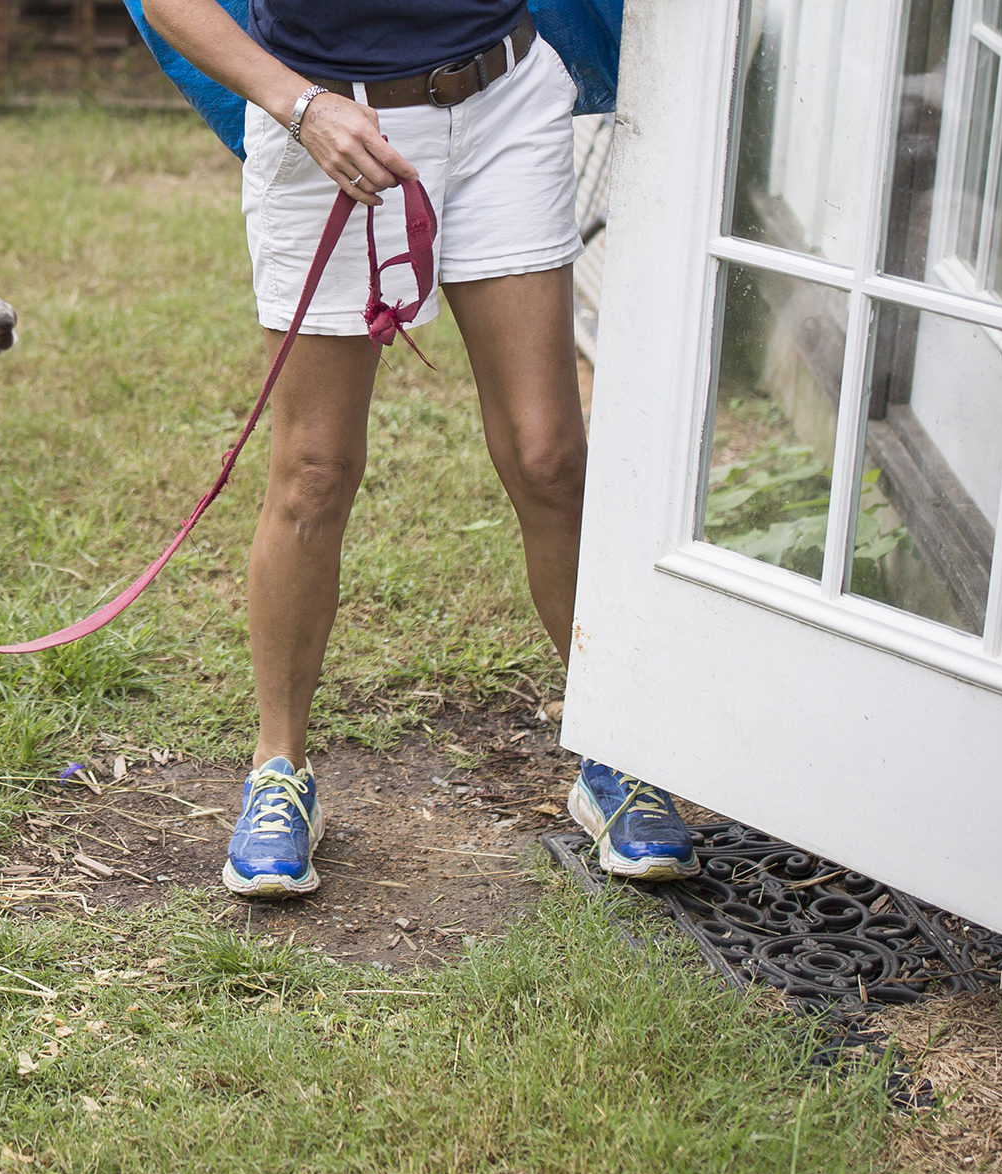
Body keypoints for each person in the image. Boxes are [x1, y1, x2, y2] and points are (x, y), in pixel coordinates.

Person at [137, 0, 699, 893]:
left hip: (501, 98)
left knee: (549, 453)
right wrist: (298, 107)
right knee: (314, 470)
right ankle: (278, 772)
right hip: (322, 120)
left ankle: (615, 755)